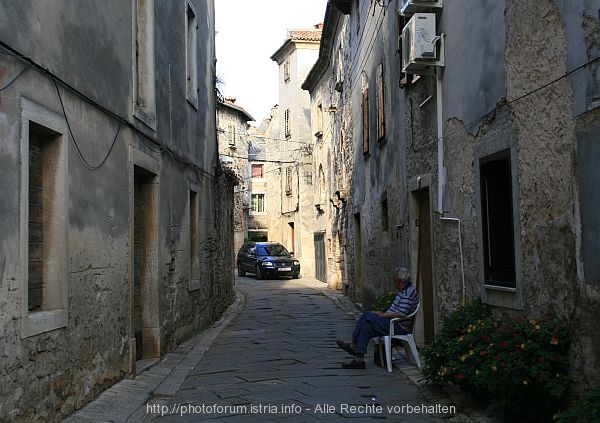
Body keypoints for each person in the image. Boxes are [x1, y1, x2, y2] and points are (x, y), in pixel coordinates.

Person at [336, 267, 419, 369]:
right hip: (391, 322)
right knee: (366, 326)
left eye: (394, 279)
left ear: (398, 280)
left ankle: (353, 346)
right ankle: (359, 360)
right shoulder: (403, 291)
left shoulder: (408, 293)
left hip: (398, 326)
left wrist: (383, 315)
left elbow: (401, 314)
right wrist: (381, 314)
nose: (393, 281)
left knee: (367, 316)